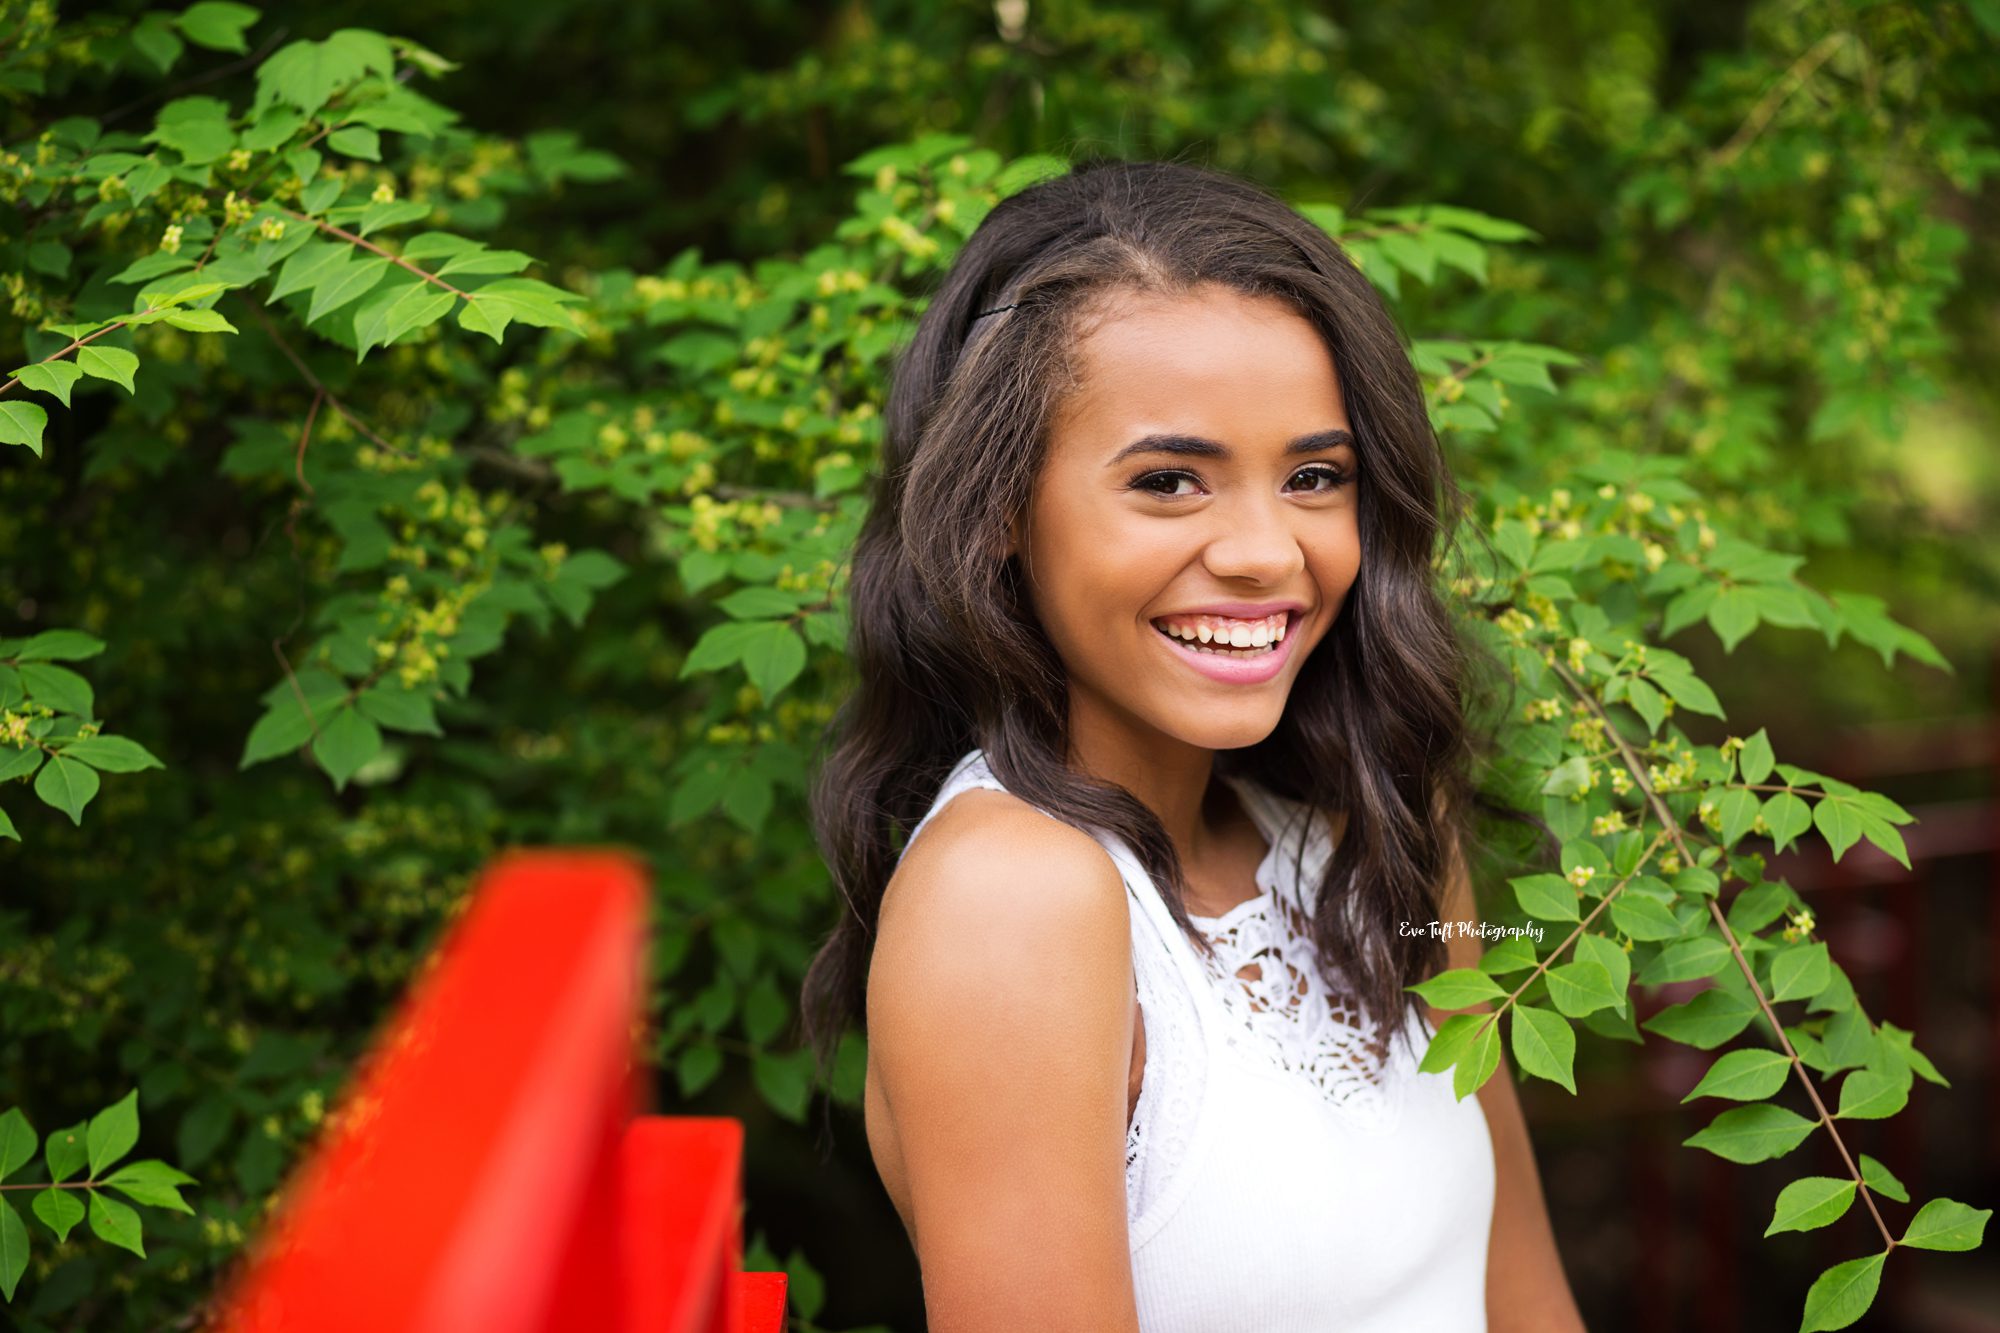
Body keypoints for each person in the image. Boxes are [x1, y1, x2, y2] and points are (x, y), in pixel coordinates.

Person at [800, 157, 1587, 1332]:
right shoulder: (1012, 895)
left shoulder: (1377, 832)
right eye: (1170, 481)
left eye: (1315, 477)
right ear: (1000, 511)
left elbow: (1521, 1298)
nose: (1267, 552)